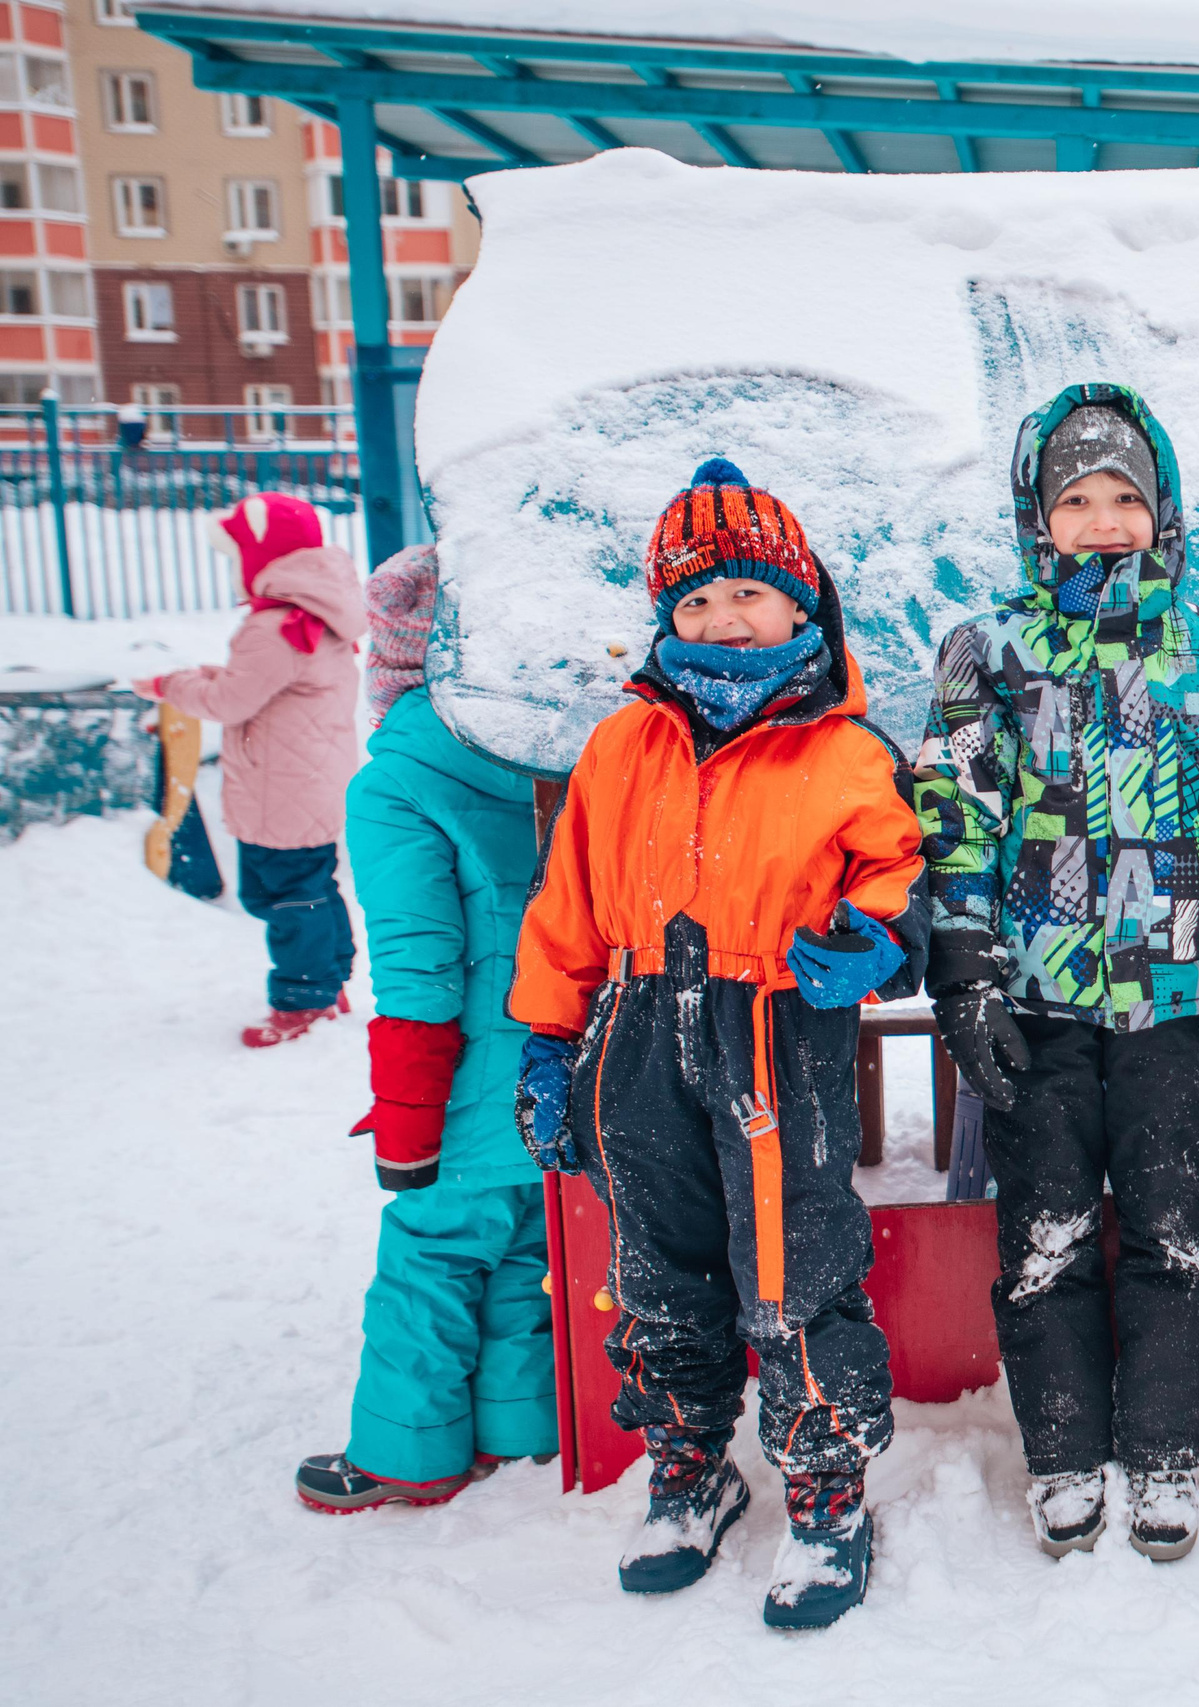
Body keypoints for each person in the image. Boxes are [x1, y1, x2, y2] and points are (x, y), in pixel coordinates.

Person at [511, 459, 928, 1631]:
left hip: (771, 1032)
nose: (720, 620)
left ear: (802, 605)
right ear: (662, 619)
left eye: (746, 594)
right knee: (657, 1271)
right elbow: (568, 909)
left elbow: (898, 875)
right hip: (639, 1032)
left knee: (797, 1271)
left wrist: (875, 937)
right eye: (694, 602)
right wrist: (549, 1043)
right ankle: (692, 1468)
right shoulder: (620, 748)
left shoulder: (846, 752)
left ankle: (825, 1484)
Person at [914, 384, 1199, 1564]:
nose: (1100, 519)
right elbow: (956, 815)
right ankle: (1063, 1455)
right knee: (1042, 1239)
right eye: (1075, 498)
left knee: (1176, 1233)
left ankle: (1165, 1451)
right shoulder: (983, 652)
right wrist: (966, 965)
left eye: (1122, 497)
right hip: (1035, 1003)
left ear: (1163, 510)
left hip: (1176, 1000)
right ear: (1039, 518)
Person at [295, 543, 557, 1513]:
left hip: (466, 1079)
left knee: (429, 1254)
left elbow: (416, 971)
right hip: (561, 1061)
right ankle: (523, 1432)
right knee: (526, 1248)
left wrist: (406, 1126)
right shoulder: (551, 765)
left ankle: (407, 1455)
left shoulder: (395, 786)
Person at [138, 493, 364, 1046]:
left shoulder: (276, 624)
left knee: (283, 892)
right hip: (307, 778)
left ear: (260, 555)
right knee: (310, 883)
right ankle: (327, 978)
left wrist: (171, 687)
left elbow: (233, 702)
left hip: (281, 787)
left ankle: (303, 997)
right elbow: (270, 684)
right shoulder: (316, 612)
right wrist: (213, 675)